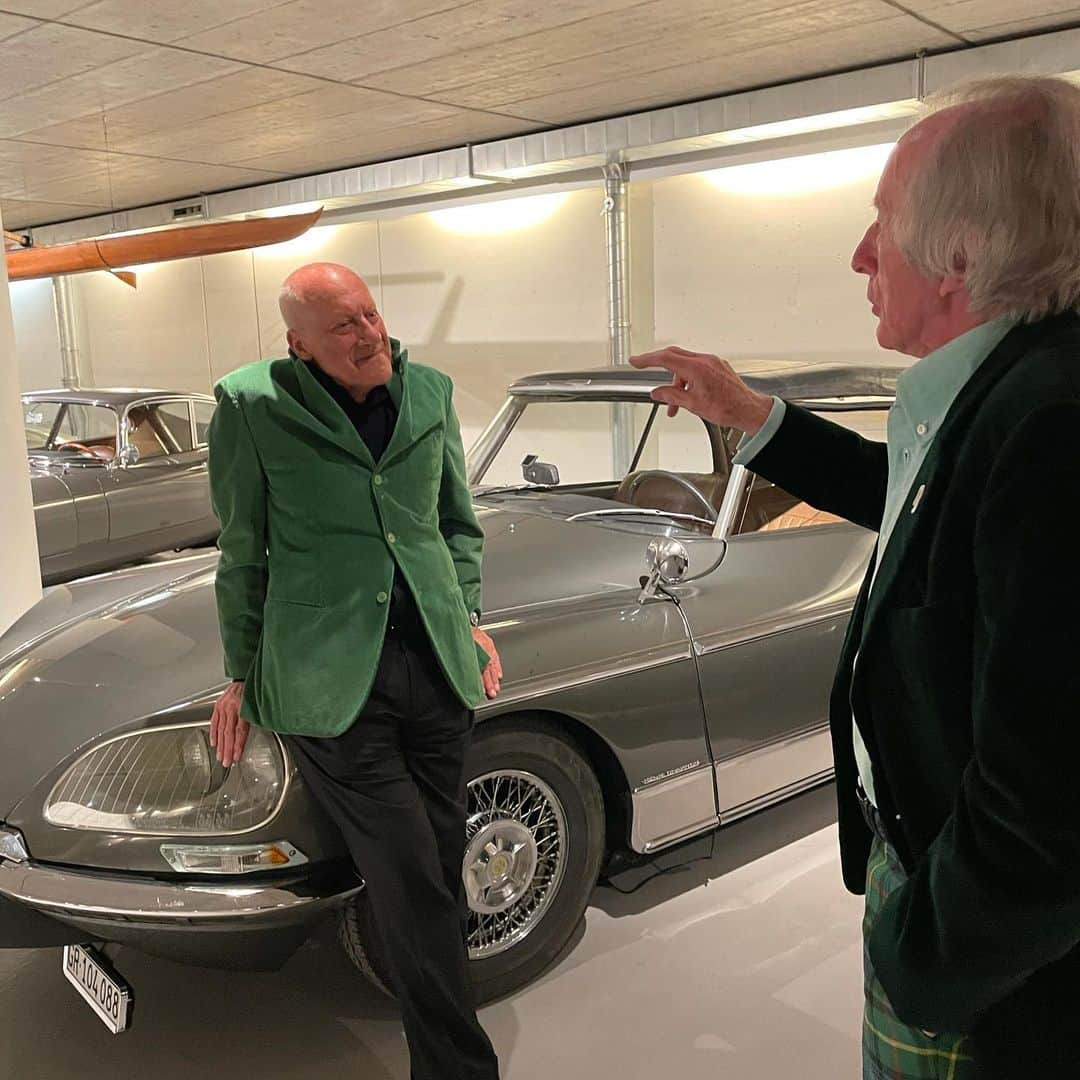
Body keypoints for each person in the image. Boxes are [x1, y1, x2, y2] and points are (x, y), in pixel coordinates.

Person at [631, 76, 1080, 1079]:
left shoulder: (1054, 421)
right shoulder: (1018, 393)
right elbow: (928, 510)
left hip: (998, 979)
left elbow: (1053, 806)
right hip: (949, 897)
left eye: (883, 222)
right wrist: (755, 417)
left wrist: (921, 957)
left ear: (960, 254)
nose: (860, 255)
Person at [206, 262, 503, 1080]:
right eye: (344, 326)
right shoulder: (250, 404)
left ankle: (435, 1027)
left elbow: (455, 523)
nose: (369, 334)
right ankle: (458, 1069)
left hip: (439, 666)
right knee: (410, 874)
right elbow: (241, 549)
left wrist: (470, 617)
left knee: (440, 863)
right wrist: (239, 670)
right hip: (332, 681)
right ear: (298, 343)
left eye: (370, 314)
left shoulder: (432, 392)